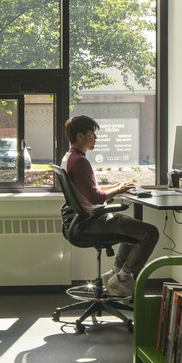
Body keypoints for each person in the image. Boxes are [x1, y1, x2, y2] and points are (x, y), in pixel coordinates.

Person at [61, 114, 159, 297]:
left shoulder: (69, 158)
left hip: (85, 220)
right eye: (92, 133)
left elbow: (89, 190)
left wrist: (116, 187)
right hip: (95, 221)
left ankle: (115, 273)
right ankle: (122, 278)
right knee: (150, 233)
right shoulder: (80, 162)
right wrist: (118, 190)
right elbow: (96, 198)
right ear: (80, 136)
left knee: (132, 229)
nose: (96, 137)